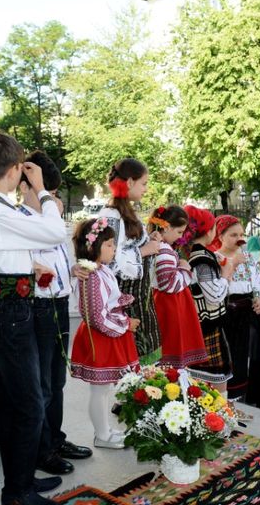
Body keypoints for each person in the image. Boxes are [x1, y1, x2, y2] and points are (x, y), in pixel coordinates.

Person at [0, 131, 67, 505]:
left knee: (17, 402)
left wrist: (26, 264)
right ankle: (17, 490)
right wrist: (42, 191)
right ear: (15, 170)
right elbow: (55, 232)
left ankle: (21, 476)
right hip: (9, 314)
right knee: (28, 404)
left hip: (10, 309)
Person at [16, 151, 92, 477]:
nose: (55, 199)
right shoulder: (19, 220)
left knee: (58, 380)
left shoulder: (49, 220)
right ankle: (41, 450)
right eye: (48, 191)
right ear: (27, 186)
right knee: (43, 384)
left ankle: (55, 439)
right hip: (40, 307)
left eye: (56, 193)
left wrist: (71, 270)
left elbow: (56, 260)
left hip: (58, 304)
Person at [70, 218, 140, 449]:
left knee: (105, 388)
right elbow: (96, 317)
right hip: (101, 337)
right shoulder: (91, 274)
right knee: (99, 390)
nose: (114, 249)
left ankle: (106, 431)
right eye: (109, 244)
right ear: (93, 246)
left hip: (109, 334)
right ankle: (102, 435)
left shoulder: (101, 270)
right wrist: (125, 323)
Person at [100, 159, 162, 363]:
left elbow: (128, 246)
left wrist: (149, 241)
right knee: (129, 369)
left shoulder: (125, 211)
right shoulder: (111, 215)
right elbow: (108, 260)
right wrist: (145, 250)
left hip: (139, 299)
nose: (146, 189)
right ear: (129, 183)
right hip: (125, 298)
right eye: (143, 183)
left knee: (145, 369)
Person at [211, 215, 260, 406]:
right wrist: (232, 264)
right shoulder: (215, 259)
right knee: (227, 360)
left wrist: (258, 297)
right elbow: (216, 290)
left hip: (246, 315)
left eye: (241, 234)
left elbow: (258, 280)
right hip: (226, 315)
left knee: (243, 360)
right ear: (221, 236)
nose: (239, 239)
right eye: (233, 235)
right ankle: (221, 406)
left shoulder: (249, 257)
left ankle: (235, 405)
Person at [183, 205, 237, 391]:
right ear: (208, 230)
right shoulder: (201, 259)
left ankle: (215, 415)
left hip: (206, 324)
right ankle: (218, 417)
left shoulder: (201, 254)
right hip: (207, 325)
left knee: (208, 381)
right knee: (215, 381)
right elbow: (214, 295)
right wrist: (226, 274)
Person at [149, 206, 207, 369]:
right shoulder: (164, 250)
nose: (180, 237)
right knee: (172, 348)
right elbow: (169, 284)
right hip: (170, 305)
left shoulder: (161, 247)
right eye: (179, 232)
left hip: (170, 303)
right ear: (166, 227)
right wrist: (185, 270)